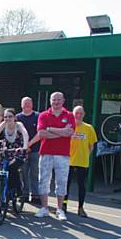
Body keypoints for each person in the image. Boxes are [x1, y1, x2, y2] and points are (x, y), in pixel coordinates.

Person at [35, 91, 75, 221]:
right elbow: (41, 134)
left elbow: (70, 133)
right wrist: (61, 132)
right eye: (54, 100)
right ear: (50, 101)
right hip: (46, 152)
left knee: (61, 182)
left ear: (63, 101)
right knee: (43, 181)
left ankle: (59, 209)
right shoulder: (43, 115)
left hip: (63, 154)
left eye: (58, 100)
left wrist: (50, 129)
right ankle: (44, 208)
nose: (56, 102)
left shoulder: (69, 115)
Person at [64, 106, 97, 218]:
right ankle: (64, 205)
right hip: (68, 160)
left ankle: (80, 207)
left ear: (84, 114)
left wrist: (85, 155)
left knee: (81, 185)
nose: (78, 115)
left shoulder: (89, 128)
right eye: (76, 113)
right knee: (65, 184)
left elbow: (91, 146)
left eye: (80, 113)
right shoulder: (68, 127)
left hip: (82, 161)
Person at [0, 108, 30, 194]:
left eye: (10, 116)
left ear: (14, 117)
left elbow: (25, 134)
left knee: (12, 167)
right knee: (0, 166)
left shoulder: (19, 125)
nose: (7, 119)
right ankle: (2, 192)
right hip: (7, 151)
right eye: (5, 117)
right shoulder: (3, 124)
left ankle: (18, 189)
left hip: (18, 151)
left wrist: (24, 147)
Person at [16, 97, 41, 204]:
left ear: (32, 104)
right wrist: (24, 146)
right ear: (21, 105)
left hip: (35, 149)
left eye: (28, 103)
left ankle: (36, 195)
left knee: (35, 174)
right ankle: (24, 194)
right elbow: (16, 134)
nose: (27, 105)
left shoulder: (38, 116)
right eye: (24, 103)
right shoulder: (17, 117)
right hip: (22, 150)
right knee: (23, 173)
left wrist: (29, 144)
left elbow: (40, 133)